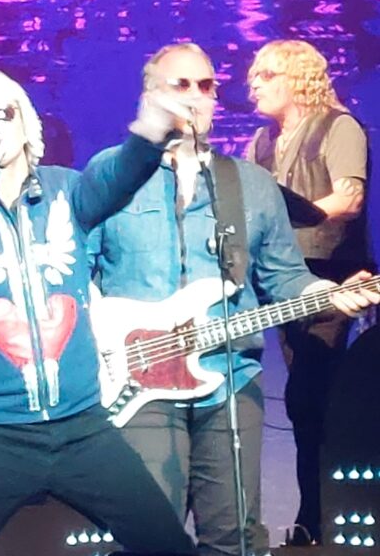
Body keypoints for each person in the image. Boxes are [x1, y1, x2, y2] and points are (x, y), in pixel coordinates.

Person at [87, 43, 379, 556]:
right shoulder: (110, 175)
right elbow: (77, 271)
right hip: (137, 380)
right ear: (151, 95)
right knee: (151, 534)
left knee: (234, 538)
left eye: (207, 86)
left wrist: (328, 295)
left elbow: (283, 276)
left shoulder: (247, 183)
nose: (197, 97)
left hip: (229, 378)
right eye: (181, 85)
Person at [0, 67, 197, 556]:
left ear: (25, 123)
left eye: (2, 113)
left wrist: (152, 131)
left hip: (82, 429)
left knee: (168, 545)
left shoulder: (65, 192)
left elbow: (117, 179)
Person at [246, 39, 373, 546]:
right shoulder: (260, 143)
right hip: (285, 284)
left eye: (264, 75)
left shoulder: (338, 127)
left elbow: (350, 195)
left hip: (334, 277)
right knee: (303, 402)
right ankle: (312, 514)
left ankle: (319, 515)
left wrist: (290, 217)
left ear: (295, 77)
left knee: (311, 393)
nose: (252, 84)